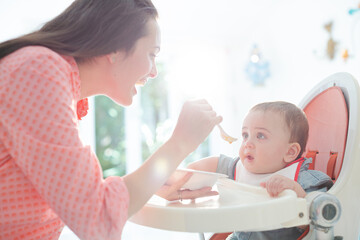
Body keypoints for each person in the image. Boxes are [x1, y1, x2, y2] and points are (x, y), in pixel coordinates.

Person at [0, 0, 221, 239]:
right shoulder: (38, 71)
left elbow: (82, 197)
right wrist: (181, 142)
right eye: (151, 54)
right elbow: (97, 219)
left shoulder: (54, 82)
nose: (154, 71)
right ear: (115, 47)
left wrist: (153, 182)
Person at [188, 101, 334, 239]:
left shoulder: (302, 181)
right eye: (245, 135)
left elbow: (316, 221)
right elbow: (214, 163)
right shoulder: (238, 168)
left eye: (261, 136)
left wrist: (295, 192)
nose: (248, 144)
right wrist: (187, 179)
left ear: (290, 152)